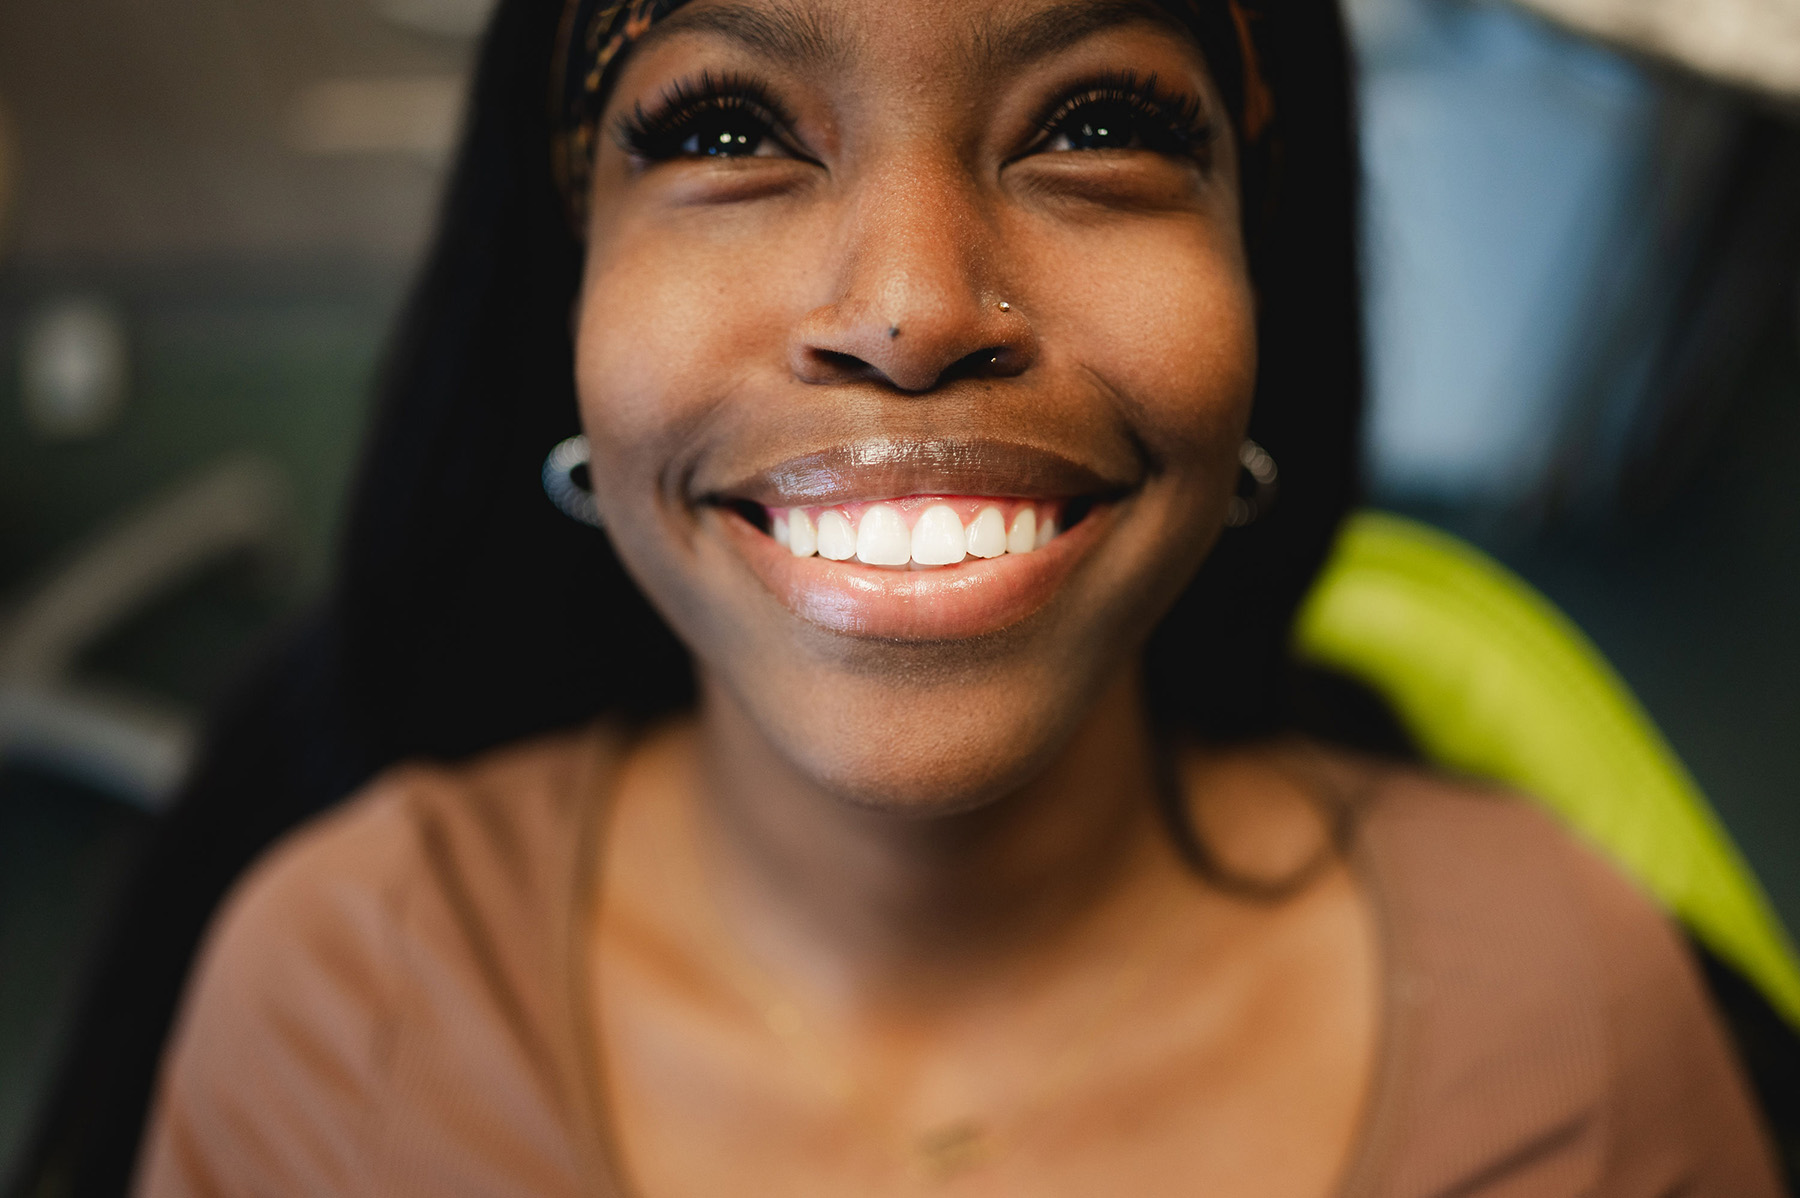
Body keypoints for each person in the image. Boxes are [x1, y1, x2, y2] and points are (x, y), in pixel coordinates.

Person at [120, 0, 1781, 1194]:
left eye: (1102, 123)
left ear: (1259, 276)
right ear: (567, 280)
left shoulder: (1573, 1045)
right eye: (724, 127)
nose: (912, 311)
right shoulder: (340, 1006)